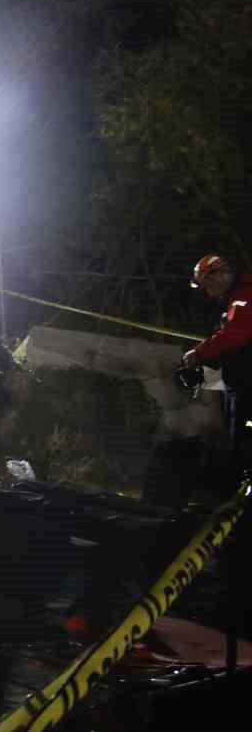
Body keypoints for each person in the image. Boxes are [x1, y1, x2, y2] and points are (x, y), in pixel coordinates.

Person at [180, 253, 252, 638]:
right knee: (240, 443)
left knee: (247, 445)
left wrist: (199, 352)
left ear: (222, 275)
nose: (207, 291)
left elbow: (237, 336)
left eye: (209, 283)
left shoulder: (244, 298)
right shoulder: (236, 300)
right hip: (241, 386)